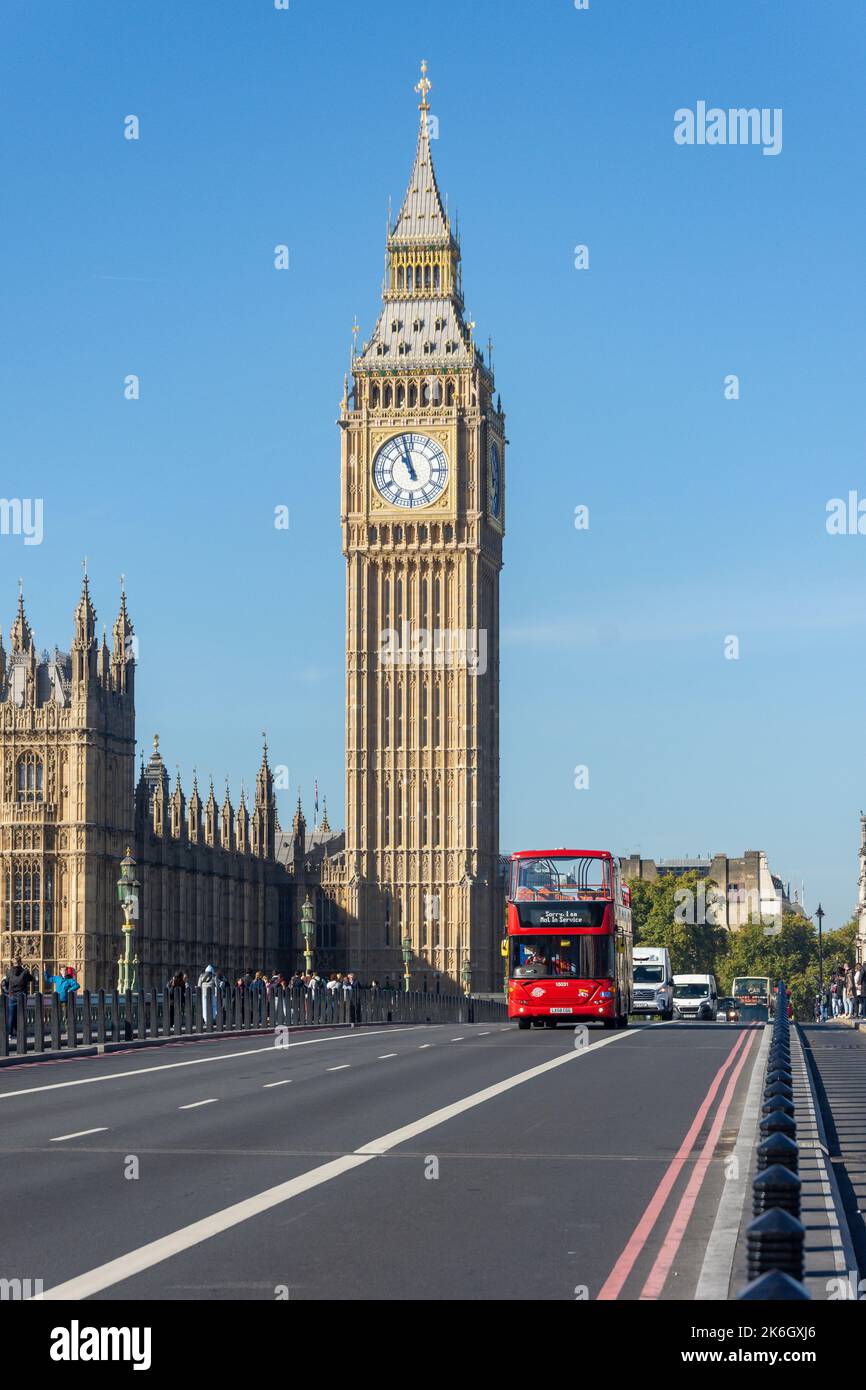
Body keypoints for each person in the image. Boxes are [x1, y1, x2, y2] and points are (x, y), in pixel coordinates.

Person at [3, 957, 33, 1038]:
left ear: (13, 963)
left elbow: (5, 982)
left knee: (11, 1015)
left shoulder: (9, 972)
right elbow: (32, 979)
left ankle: (10, 1034)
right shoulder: (25, 971)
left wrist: (7, 992)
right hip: (22, 996)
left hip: (12, 996)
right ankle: (21, 1032)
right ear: (21, 962)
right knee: (21, 1015)